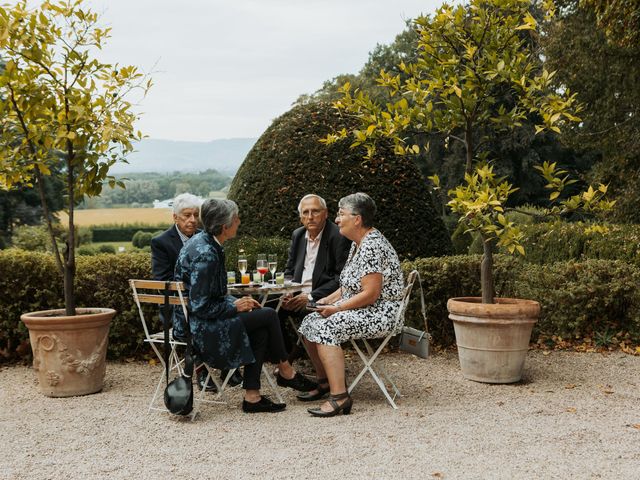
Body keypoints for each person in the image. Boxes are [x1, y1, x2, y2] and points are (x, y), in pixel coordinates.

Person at [175, 198, 316, 413]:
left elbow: (216, 295)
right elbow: (200, 306)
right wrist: (235, 307)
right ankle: (286, 371)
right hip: (199, 328)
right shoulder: (206, 254)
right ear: (225, 226)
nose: (239, 221)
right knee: (268, 315)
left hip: (201, 321)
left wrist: (238, 303)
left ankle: (253, 396)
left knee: (260, 321)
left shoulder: (204, 242)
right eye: (236, 218)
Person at [298, 192, 404, 417]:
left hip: (381, 313)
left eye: (341, 214)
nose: (336, 220)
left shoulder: (372, 245)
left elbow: (370, 294)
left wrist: (336, 309)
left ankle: (340, 397)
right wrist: (328, 299)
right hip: (364, 308)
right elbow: (349, 285)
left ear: (357, 219)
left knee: (327, 327)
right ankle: (325, 381)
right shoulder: (358, 243)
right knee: (309, 322)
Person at [150, 193, 242, 390]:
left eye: (195, 215)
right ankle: (201, 371)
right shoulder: (162, 242)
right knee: (212, 314)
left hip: (202, 302)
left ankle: (229, 366)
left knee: (235, 308)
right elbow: (162, 281)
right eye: (186, 215)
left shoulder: (207, 237)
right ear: (175, 217)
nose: (192, 220)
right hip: (177, 306)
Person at [279, 194, 351, 360]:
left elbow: (341, 278)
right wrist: (288, 292)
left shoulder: (338, 237)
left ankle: (296, 358)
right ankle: (287, 355)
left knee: (309, 314)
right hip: (296, 294)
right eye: (305, 212)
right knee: (269, 310)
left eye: (315, 211)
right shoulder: (298, 235)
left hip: (322, 298)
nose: (310, 217)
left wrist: (310, 296)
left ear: (325, 213)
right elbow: (289, 270)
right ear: (300, 217)